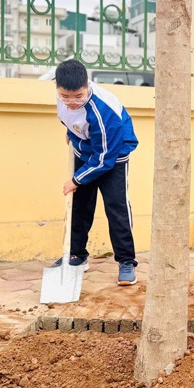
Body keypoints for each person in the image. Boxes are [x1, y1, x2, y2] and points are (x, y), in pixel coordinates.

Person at [52, 58, 139, 286]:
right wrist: (71, 134)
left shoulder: (103, 111)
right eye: (66, 96)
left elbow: (104, 159)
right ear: (57, 88)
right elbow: (70, 120)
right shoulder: (62, 97)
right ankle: (76, 256)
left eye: (78, 96)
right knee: (80, 206)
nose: (71, 102)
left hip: (113, 156)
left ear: (87, 85)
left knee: (116, 207)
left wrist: (76, 179)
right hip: (86, 150)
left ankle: (126, 261)